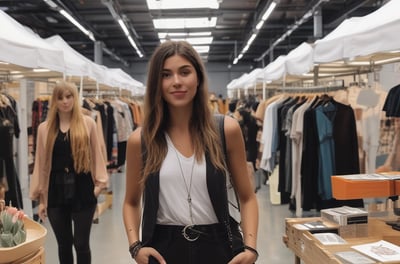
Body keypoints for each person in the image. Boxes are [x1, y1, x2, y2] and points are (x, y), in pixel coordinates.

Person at [123, 40, 259, 264]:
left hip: (219, 246)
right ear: (157, 82)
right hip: (163, 248)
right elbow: (131, 201)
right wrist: (135, 247)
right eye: (166, 75)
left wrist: (251, 248)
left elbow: (247, 197)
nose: (176, 82)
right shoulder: (141, 140)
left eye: (184, 72)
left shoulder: (225, 130)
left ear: (198, 78)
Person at [30, 81, 109, 264]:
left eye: (69, 96)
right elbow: (42, 164)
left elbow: (97, 155)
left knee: (81, 244)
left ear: (75, 98)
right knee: (63, 244)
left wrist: (99, 186)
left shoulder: (88, 123)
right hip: (55, 192)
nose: (65, 101)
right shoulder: (44, 128)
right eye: (60, 97)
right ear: (54, 101)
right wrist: (42, 200)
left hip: (83, 188)